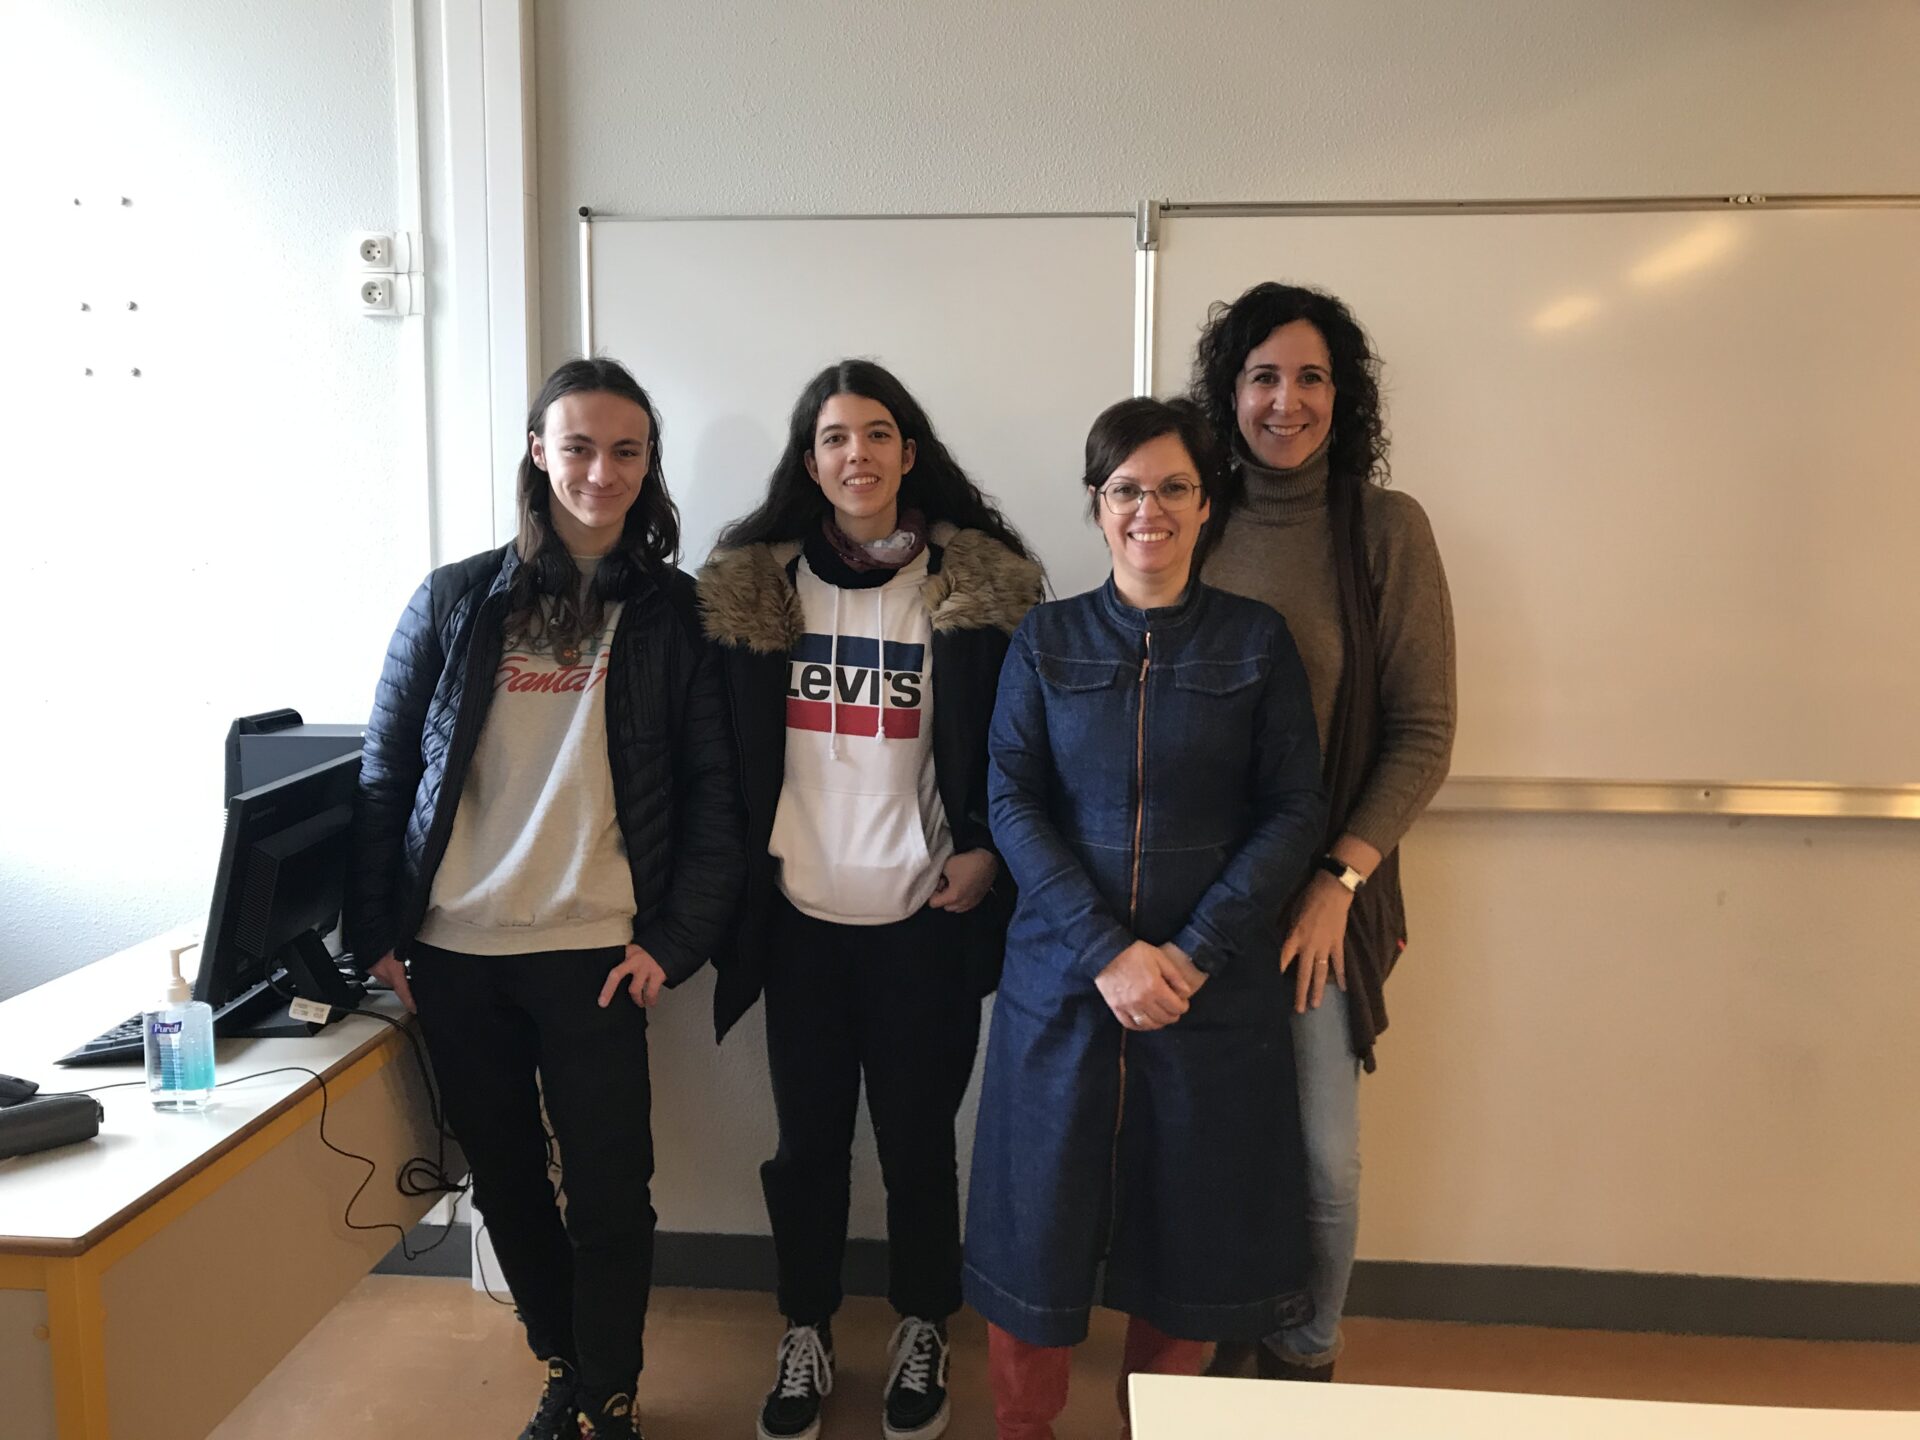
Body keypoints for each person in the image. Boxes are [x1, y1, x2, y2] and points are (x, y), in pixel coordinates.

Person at [346, 357, 744, 1440]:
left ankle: (611, 1396)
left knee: (612, 1192)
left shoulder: (674, 613)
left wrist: (674, 942)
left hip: (596, 953)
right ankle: (565, 1367)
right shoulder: (454, 599)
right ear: (538, 452)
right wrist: (378, 932)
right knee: (507, 1183)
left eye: (625, 451)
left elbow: (716, 793)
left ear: (648, 464)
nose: (600, 471)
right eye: (578, 447)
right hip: (455, 954)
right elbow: (387, 773)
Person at [963, 396, 1327, 1439]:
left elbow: (1293, 809)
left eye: (1173, 488)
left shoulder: (1257, 642)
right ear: (1097, 503)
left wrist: (1193, 952)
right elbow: (1011, 804)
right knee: (1036, 1236)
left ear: (1207, 505)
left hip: (1208, 996)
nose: (1148, 510)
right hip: (1061, 986)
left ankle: (1157, 1424)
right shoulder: (1045, 639)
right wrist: (1108, 953)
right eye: (1126, 489)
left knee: (1189, 1243)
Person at [696, 359, 1043, 1440]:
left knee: (917, 1146)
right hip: (799, 921)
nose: (859, 455)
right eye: (836, 438)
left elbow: (1019, 749)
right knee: (806, 1150)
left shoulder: (975, 592)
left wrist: (985, 851)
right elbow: (716, 761)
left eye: (879, 434)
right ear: (811, 463)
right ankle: (805, 1327)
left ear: (909, 452)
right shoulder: (756, 594)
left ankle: (922, 1323)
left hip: (922, 924)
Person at [1192, 282, 1457, 1381]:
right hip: (1195, 900)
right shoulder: (1189, 514)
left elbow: (1425, 731)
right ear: (1230, 392)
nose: (1285, 401)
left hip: (1320, 900)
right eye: (1263, 376)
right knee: (1207, 1145)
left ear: (1343, 399)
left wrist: (1338, 883)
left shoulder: (1384, 531)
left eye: (1311, 378)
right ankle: (1217, 1342)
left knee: (1322, 1161)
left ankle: (1305, 1363)